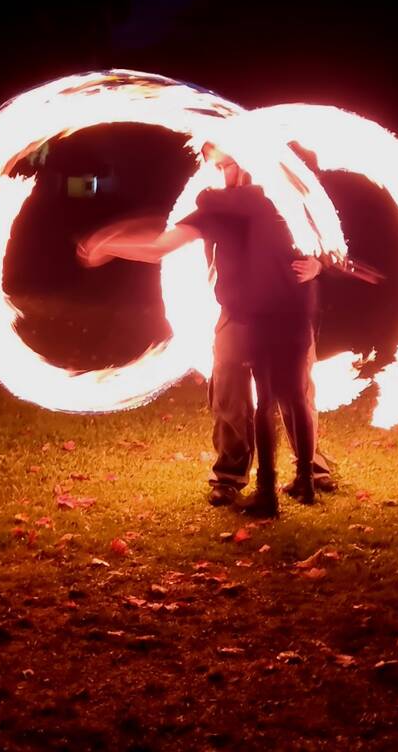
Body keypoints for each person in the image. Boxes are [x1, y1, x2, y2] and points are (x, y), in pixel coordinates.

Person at [76, 142, 336, 516]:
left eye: (228, 163)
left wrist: (318, 264)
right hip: (237, 314)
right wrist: (110, 244)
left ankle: (310, 468)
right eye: (221, 166)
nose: (226, 173)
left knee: (296, 394)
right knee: (230, 393)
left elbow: (328, 243)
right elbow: (160, 247)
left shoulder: (286, 200)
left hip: (287, 313)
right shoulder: (216, 209)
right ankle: (229, 478)